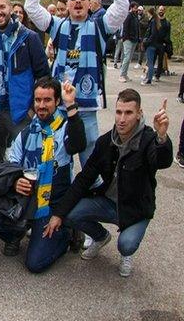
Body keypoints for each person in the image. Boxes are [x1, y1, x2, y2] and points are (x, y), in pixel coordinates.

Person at [45, 90, 174, 277]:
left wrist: (161, 137)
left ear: (139, 114)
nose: (122, 119)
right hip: (108, 203)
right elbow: (84, 179)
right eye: (119, 112)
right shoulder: (106, 142)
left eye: (128, 113)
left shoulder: (148, 140)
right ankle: (101, 237)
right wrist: (58, 213)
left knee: (126, 245)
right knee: (70, 214)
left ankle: (127, 253)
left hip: (135, 209)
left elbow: (163, 162)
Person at [24, 0, 129, 165]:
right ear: (68, 4)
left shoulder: (100, 25)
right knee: (59, 163)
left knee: (89, 163)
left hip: (87, 108)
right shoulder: (57, 26)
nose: (78, 0)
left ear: (90, 4)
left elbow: (122, 6)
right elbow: (31, 7)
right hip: (59, 107)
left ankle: (89, 195)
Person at [0, 77, 86, 272]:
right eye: (38, 100)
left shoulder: (65, 126)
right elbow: (11, 166)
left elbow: (78, 144)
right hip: (27, 197)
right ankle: (15, 235)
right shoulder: (25, 133)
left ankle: (67, 232)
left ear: (57, 101)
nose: (41, 105)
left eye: (47, 100)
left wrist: (71, 106)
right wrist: (16, 182)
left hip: (52, 202)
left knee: (35, 263)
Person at [0, 0, 51, 165]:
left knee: (25, 157)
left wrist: (33, 108)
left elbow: (43, 74)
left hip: (20, 110)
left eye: (2, 7)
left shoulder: (29, 37)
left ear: (10, 8)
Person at [142, 5, 170, 85]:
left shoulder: (166, 22)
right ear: (157, 10)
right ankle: (149, 76)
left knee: (159, 61)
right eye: (160, 9)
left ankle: (155, 76)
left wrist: (165, 42)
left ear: (164, 11)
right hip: (155, 43)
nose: (161, 11)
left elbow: (166, 34)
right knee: (152, 60)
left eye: (162, 10)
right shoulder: (156, 20)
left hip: (159, 44)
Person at [118, 1, 142, 83]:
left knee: (129, 58)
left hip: (134, 39)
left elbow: (137, 28)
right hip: (128, 39)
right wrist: (126, 37)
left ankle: (125, 74)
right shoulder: (128, 16)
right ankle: (121, 75)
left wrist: (138, 38)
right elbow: (125, 27)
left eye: (137, 8)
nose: (136, 10)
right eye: (135, 8)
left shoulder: (135, 17)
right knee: (127, 57)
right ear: (131, 8)